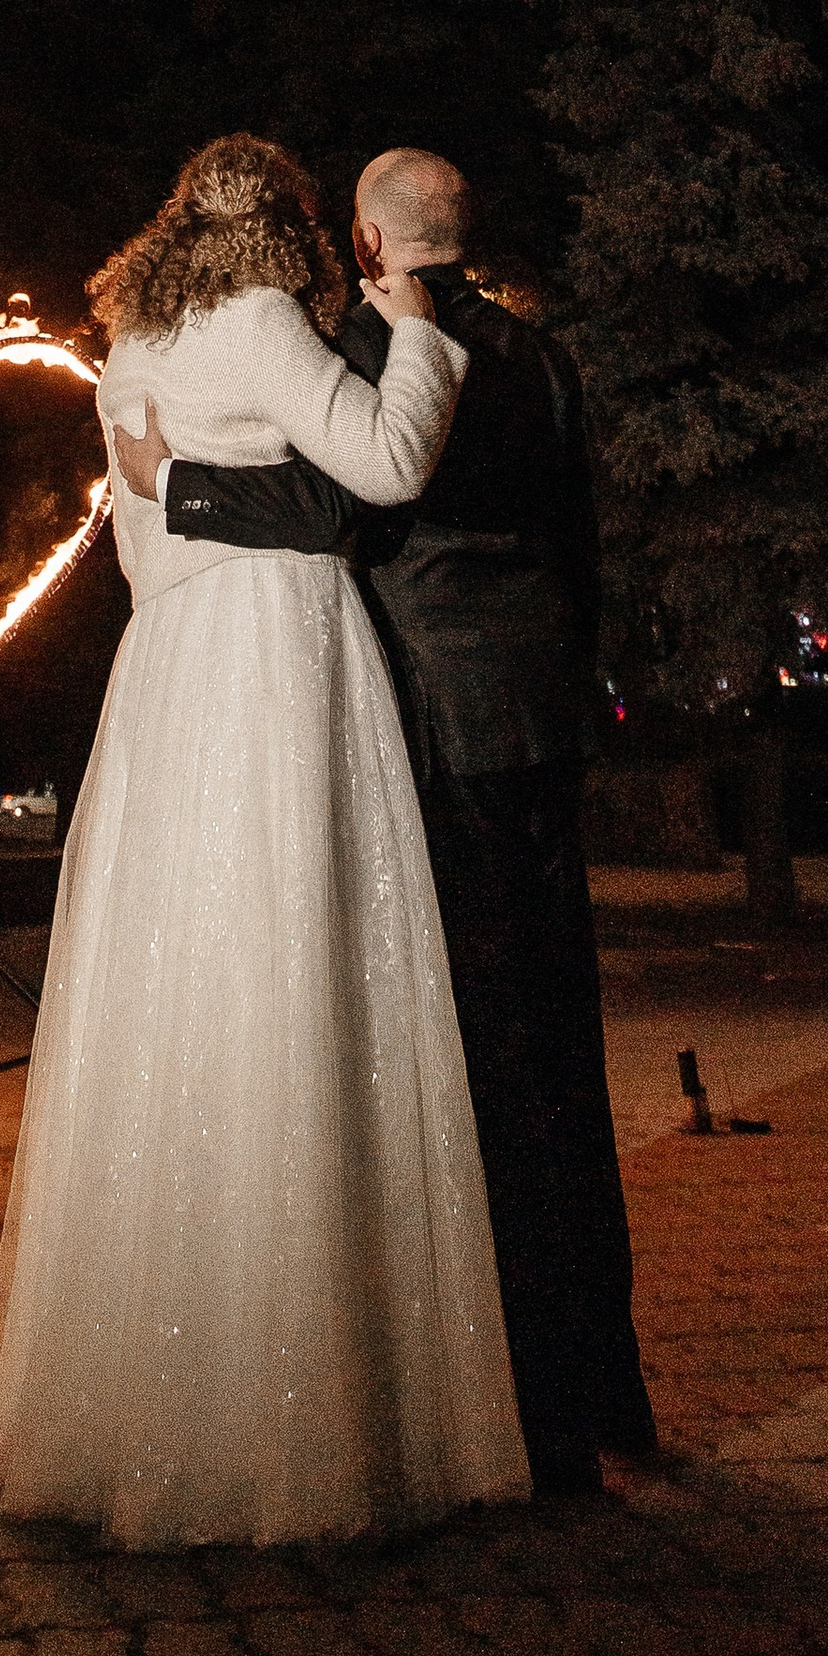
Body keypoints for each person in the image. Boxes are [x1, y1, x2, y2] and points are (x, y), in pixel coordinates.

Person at [0, 135, 530, 1550]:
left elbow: (152, 516)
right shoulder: (267, 321)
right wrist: (409, 330)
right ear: (289, 227)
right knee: (298, 974)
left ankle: (135, 1403)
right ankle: (311, 1420)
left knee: (175, 1002)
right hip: (274, 662)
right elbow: (386, 464)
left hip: (163, 678)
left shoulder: (131, 344)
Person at [118, 148, 654, 1498]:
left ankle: (528, 1423)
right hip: (533, 723)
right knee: (565, 1053)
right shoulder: (538, 357)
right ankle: (611, 1388)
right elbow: (580, 544)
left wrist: (172, 481)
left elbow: (335, 500)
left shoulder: (376, 338)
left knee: (477, 1072)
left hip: (437, 726)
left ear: (365, 241)